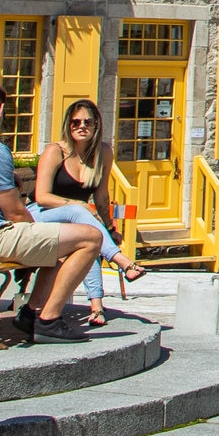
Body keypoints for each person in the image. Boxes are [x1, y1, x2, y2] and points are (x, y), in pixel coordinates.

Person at [0, 80, 103, 343]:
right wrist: (38, 229)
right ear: (0, 111)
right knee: (90, 238)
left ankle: (31, 314)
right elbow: (15, 213)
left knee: (61, 245)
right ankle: (48, 320)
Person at [31, 99, 146, 327]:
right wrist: (78, 206)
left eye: (88, 122)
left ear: (96, 126)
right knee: (80, 216)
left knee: (88, 238)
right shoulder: (56, 151)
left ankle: (96, 307)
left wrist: (110, 228)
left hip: (79, 221)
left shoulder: (103, 153)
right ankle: (121, 261)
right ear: (68, 125)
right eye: (75, 122)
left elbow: (102, 196)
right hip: (43, 214)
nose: (81, 126)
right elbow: (41, 196)